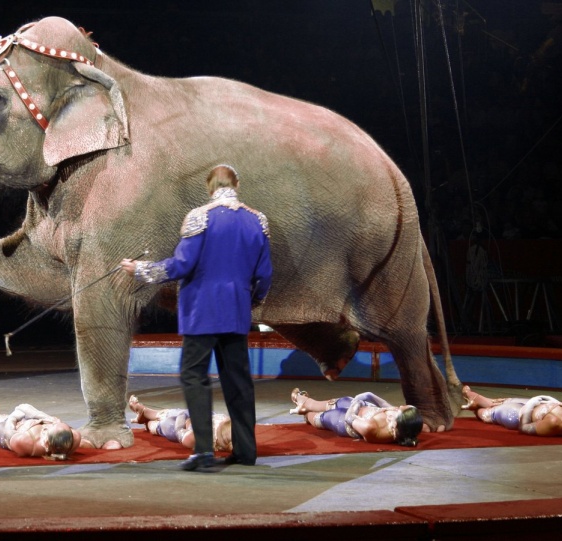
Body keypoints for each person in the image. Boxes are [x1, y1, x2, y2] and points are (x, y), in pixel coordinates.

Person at [121, 164, 272, 471]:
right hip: (236, 312)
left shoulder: (199, 217)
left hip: (202, 312)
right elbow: (264, 275)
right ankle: (245, 450)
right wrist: (249, 300)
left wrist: (141, 269)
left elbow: (180, 265)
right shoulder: (258, 220)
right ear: (237, 184)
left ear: (209, 186)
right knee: (239, 382)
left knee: (194, 376)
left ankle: (203, 449)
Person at [0, 388, 88, 460]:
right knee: (28, 414)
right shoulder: (74, 437)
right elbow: (26, 408)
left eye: (48, 429)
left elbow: (7, 428)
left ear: (46, 442)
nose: (46, 427)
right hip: (26, 425)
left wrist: (14, 417)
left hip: (4, 432)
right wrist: (50, 419)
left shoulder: (25, 443)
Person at [290, 388, 423, 447]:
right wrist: (368, 395)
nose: (397, 407)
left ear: (397, 423)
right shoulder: (397, 420)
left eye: (400, 409)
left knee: (320, 417)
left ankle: (306, 413)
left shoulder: (372, 429)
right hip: (359, 406)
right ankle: (303, 401)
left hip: (344, 422)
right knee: (338, 401)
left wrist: (357, 402)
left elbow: (349, 418)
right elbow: (383, 404)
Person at [461, 385, 562, 439]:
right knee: (492, 401)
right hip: (533, 403)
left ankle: (473, 404)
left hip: (517, 415)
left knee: (485, 412)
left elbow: (524, 428)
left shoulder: (554, 423)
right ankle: (472, 398)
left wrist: (532, 404)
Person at [128, 395, 233, 452]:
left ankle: (148, 422)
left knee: (167, 424)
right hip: (196, 420)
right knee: (180, 412)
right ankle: (146, 412)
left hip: (180, 428)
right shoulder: (223, 422)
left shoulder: (194, 438)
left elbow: (179, 431)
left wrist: (183, 416)